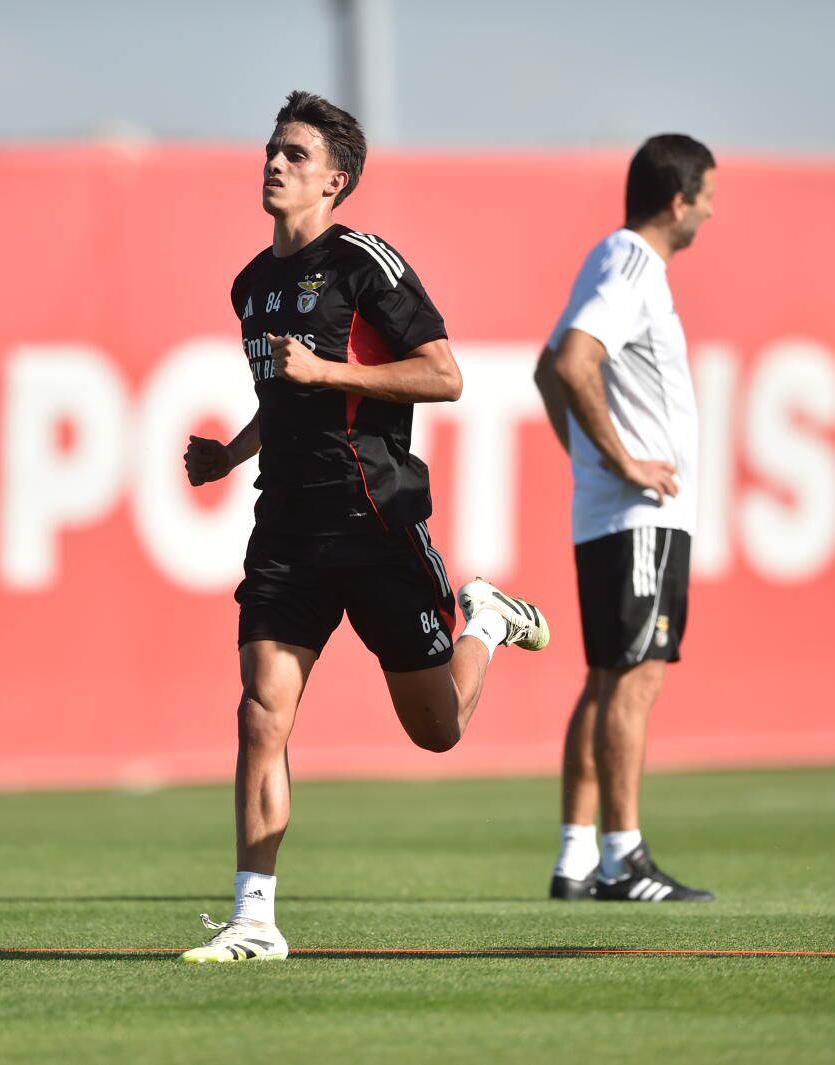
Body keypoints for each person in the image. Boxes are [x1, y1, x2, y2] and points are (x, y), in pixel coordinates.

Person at [179, 91, 549, 964]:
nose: (274, 163)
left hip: (377, 523)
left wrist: (329, 366)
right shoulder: (251, 284)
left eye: (296, 155)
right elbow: (286, 394)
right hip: (288, 533)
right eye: (271, 149)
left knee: (437, 729)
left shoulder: (366, 265)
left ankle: (485, 618)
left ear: (336, 180)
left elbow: (445, 374)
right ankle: (256, 920)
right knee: (260, 712)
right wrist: (232, 457)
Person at [532, 134, 716, 903]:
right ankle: (623, 857)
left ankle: (578, 855)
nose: (711, 209)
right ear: (679, 201)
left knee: (609, 678)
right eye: (707, 193)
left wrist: (589, 459)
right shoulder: (636, 264)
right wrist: (618, 462)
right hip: (639, 513)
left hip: (618, 513)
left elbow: (549, 369)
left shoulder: (610, 258)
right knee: (636, 680)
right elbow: (572, 362)